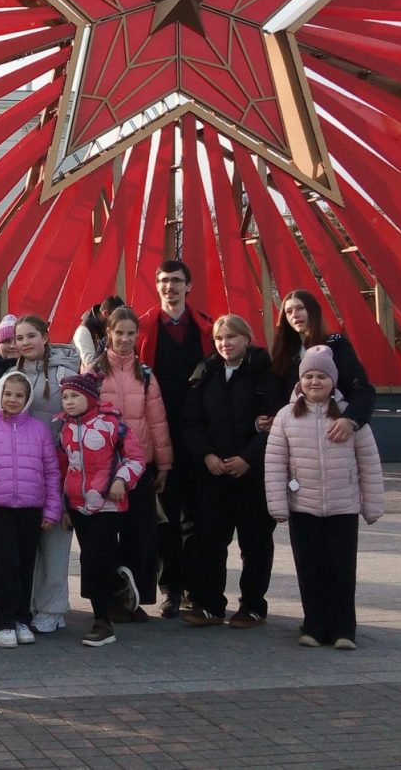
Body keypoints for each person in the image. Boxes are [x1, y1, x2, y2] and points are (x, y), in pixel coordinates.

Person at [265, 345, 385, 649]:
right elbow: (275, 463)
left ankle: (345, 629)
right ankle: (314, 626)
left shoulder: (349, 417)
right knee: (309, 570)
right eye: (308, 376)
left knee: (343, 570)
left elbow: (369, 463)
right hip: (303, 506)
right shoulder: (286, 417)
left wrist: (372, 506)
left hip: (342, 507)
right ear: (300, 381)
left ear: (333, 381)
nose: (314, 382)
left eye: (321, 376)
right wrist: (278, 505)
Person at [181, 314, 279, 629]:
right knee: (209, 542)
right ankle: (210, 604)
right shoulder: (205, 373)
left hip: (252, 475)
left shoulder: (266, 374)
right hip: (213, 474)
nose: (225, 343)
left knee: (255, 543)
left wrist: (249, 458)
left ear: (246, 339)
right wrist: (206, 455)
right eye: (220, 338)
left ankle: (252, 606)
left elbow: (276, 425)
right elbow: (191, 421)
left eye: (232, 337)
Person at [136, 259, 215, 617]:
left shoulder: (208, 330)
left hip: (198, 437)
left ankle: (197, 590)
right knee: (165, 518)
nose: (170, 287)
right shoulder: (141, 330)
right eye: (164, 281)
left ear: (189, 287)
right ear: (157, 286)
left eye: (177, 281)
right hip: (158, 434)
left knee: (198, 518)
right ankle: (170, 589)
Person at [0, 370, 62, 650]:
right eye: (8, 394)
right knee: (5, 564)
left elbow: (51, 472)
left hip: (31, 508)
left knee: (25, 564)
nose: (13, 399)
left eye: (19, 395)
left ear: (28, 398)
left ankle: (22, 618)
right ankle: (4, 620)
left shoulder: (39, 430)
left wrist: (51, 510)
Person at [90, 305, 172, 618]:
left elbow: (158, 423)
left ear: (138, 335)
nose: (125, 339)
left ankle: (133, 600)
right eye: (119, 332)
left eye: (130, 333)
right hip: (104, 468)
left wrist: (163, 465)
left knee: (141, 535)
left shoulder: (146, 375)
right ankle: (107, 597)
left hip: (140, 467)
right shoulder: (94, 372)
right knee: (106, 536)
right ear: (108, 334)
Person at [56, 372, 146, 647]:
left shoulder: (113, 425)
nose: (69, 402)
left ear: (90, 397)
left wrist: (122, 480)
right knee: (91, 559)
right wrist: (64, 507)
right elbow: (62, 469)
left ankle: (103, 621)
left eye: (75, 396)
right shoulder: (65, 430)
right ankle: (117, 582)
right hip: (78, 506)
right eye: (65, 397)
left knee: (96, 557)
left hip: (108, 504)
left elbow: (137, 457)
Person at [11, 313, 81, 633]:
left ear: (45, 336)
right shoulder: (11, 374)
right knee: (29, 541)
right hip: (23, 469)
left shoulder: (67, 372)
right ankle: (31, 603)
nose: (25, 343)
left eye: (30, 336)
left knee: (55, 540)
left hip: (60, 467)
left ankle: (52, 607)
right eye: (19, 338)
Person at [270, 290, 377, 440]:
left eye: (300, 308)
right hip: (297, 438)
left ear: (313, 311)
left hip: (334, 433)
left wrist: (350, 420)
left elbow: (363, 389)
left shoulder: (336, 344)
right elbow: (278, 395)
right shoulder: (283, 353)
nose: (294, 314)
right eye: (289, 311)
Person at [74, 296, 125, 371]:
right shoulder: (84, 331)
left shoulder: (108, 327)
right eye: (116, 318)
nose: (119, 322)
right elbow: (90, 364)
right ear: (106, 313)